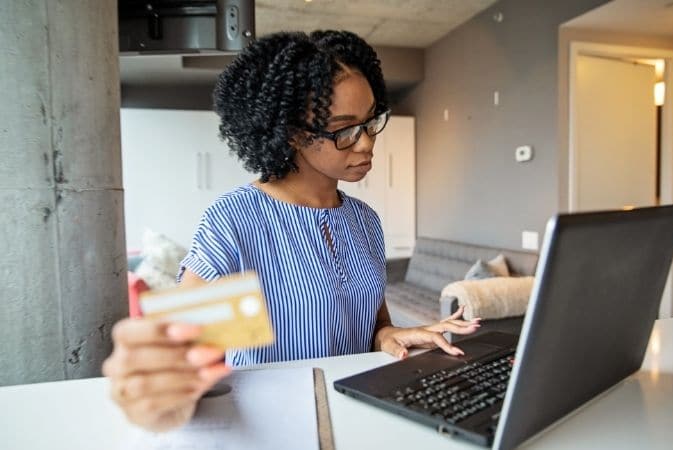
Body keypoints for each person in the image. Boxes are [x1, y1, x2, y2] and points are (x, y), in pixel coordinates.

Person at [103, 30, 481, 432]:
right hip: (278, 429)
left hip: (363, 417)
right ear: (293, 133)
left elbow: (371, 323)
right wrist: (154, 389)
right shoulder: (233, 220)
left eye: (372, 120)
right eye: (345, 129)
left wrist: (390, 335)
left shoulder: (365, 220)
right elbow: (184, 357)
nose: (367, 143)